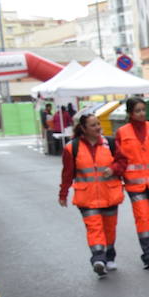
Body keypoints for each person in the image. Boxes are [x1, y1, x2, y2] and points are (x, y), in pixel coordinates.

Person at [58, 109, 124, 276]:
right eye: (93, 125)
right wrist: (63, 193)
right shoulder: (71, 148)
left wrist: (113, 169)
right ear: (84, 129)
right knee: (94, 229)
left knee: (109, 229)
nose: (98, 127)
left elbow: (123, 162)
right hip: (87, 198)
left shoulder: (110, 143)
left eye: (98, 124)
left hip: (109, 194)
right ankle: (98, 259)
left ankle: (109, 257)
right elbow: (67, 173)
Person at [113, 97, 149, 269]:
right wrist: (114, 172)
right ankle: (148, 254)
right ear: (130, 113)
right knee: (143, 217)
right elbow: (119, 158)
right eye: (137, 110)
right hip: (134, 184)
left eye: (143, 110)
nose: (141, 113)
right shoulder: (122, 133)